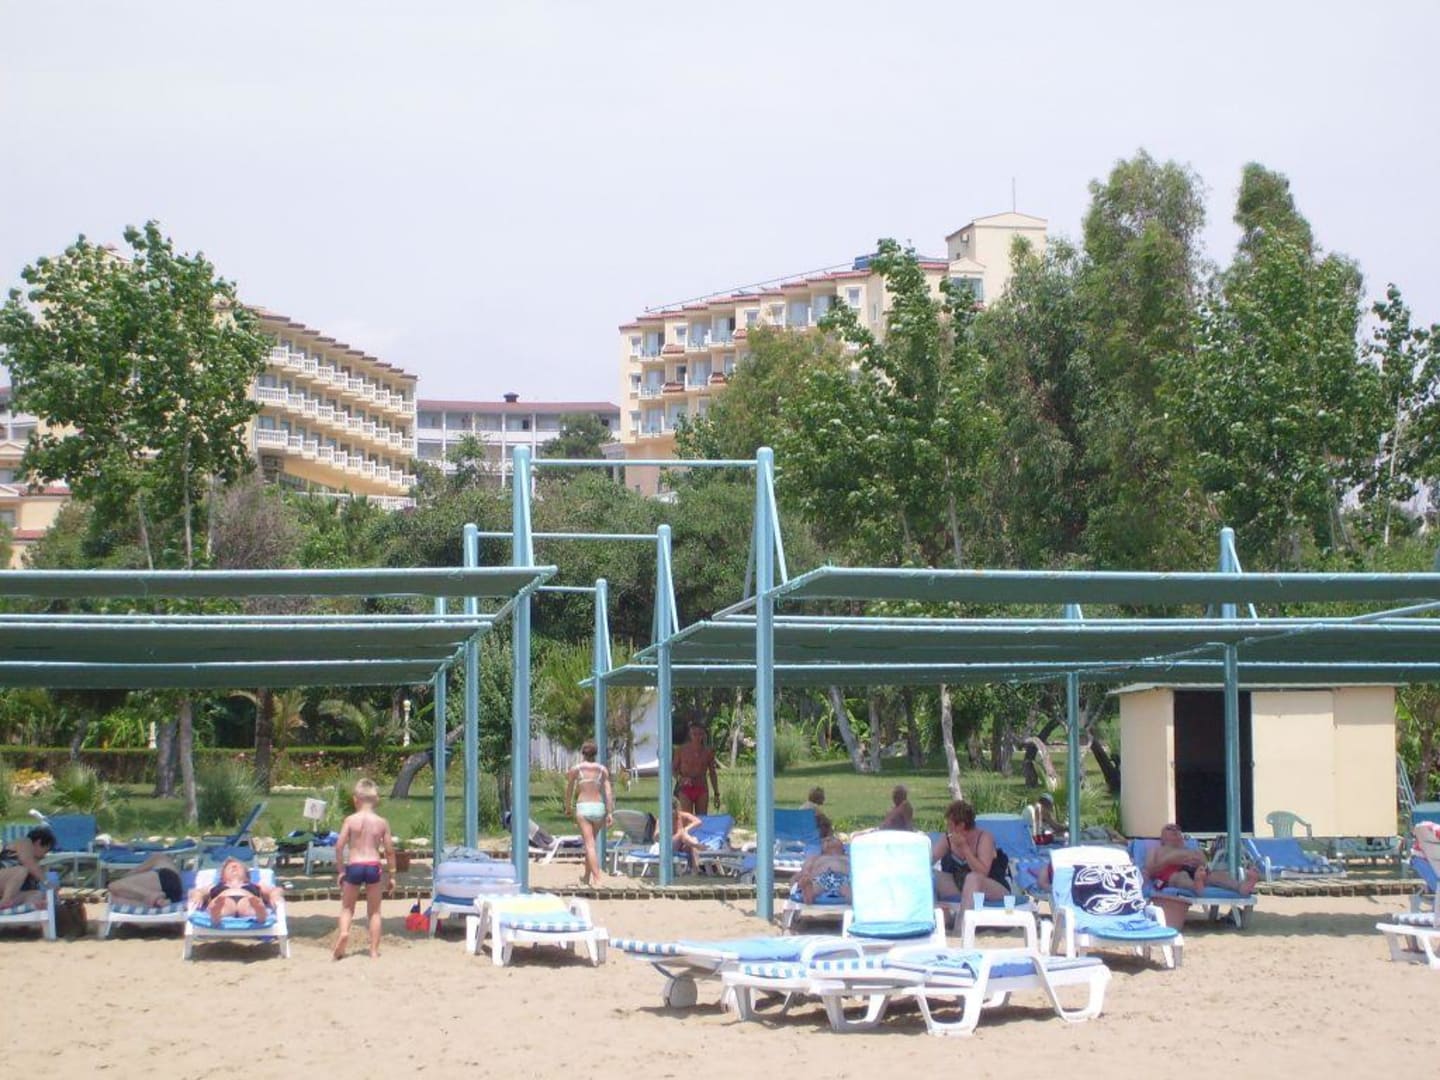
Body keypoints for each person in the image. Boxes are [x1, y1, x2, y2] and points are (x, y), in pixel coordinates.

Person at [333, 777, 396, 959]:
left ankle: (344, 933)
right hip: (373, 866)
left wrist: (341, 871)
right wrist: (392, 875)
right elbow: (389, 851)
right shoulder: (381, 822)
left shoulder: (350, 820)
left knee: (347, 908)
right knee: (374, 911)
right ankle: (374, 950)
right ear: (376, 800)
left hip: (355, 865)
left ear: (355, 799)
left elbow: (339, 846)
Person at [932, 799, 1011, 910]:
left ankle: (963, 920)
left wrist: (964, 848)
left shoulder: (984, 838)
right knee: (930, 874)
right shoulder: (948, 839)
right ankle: (937, 914)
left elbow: (982, 872)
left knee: (973, 878)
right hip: (960, 885)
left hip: (990, 886)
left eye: (950, 825)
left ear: (961, 825)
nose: (948, 828)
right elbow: (929, 860)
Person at [1145, 823, 1260, 895]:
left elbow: (1206, 865)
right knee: (1181, 877)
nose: (1175, 830)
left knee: (1217, 876)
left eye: (1177, 828)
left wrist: (1200, 862)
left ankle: (1241, 887)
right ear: (1162, 837)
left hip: (1196, 872)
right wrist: (1168, 861)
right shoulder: (1156, 850)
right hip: (1171, 873)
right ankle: (1194, 886)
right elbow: (1149, 871)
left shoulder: (1190, 848)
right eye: (1170, 828)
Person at [564, 738, 614, 887]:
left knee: (589, 845)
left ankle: (597, 879)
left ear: (583, 753)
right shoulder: (602, 770)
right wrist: (610, 812)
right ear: (595, 753)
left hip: (584, 807)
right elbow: (608, 792)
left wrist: (568, 807)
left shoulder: (576, 769)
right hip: (598, 807)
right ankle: (586, 877)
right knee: (591, 842)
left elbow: (569, 790)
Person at [193, 856, 281, 923]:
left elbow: (274, 890)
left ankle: (259, 912)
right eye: (230, 867)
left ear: (247, 877)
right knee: (224, 903)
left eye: (239, 867)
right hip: (223, 899)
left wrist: (273, 896)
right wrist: (198, 896)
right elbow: (199, 891)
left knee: (248, 904)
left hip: (248, 898)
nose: (234, 867)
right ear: (222, 877)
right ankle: (216, 912)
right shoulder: (215, 885)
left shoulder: (256, 885)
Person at [794, 814, 850, 904]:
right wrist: (804, 875)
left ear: (843, 847)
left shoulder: (847, 857)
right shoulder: (818, 857)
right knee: (816, 886)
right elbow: (807, 867)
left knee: (847, 889)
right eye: (825, 841)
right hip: (822, 877)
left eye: (833, 839)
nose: (828, 841)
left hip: (844, 878)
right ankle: (809, 893)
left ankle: (851, 897)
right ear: (821, 849)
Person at [105, 851, 186, 909]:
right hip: (175, 893)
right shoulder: (166, 861)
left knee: (112, 886)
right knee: (112, 898)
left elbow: (135, 871)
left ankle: (150, 895)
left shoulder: (158, 857)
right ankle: (156, 904)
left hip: (165, 877)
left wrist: (123, 879)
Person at [0, 826, 55, 909]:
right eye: (45, 851)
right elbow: (27, 861)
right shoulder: (25, 842)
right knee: (21, 870)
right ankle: (5, 901)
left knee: (37, 894)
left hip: (6, 892)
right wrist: (47, 882)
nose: (44, 856)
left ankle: (26, 913)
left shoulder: (34, 866)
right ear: (38, 842)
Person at [673, 722, 720, 815]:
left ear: (703, 735)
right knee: (687, 817)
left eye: (700, 734)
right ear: (690, 735)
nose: (697, 737)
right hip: (685, 788)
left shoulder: (708, 752)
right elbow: (673, 768)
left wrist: (716, 793)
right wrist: (680, 778)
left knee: (702, 818)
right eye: (694, 734)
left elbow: (712, 773)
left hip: (701, 786)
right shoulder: (681, 750)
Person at [671, 799, 702, 874]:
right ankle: (697, 845)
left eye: (674, 809)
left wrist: (687, 828)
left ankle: (696, 870)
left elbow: (698, 821)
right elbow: (656, 836)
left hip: (683, 844)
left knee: (692, 841)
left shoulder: (682, 815)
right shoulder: (663, 818)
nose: (673, 812)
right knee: (683, 834)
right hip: (670, 846)